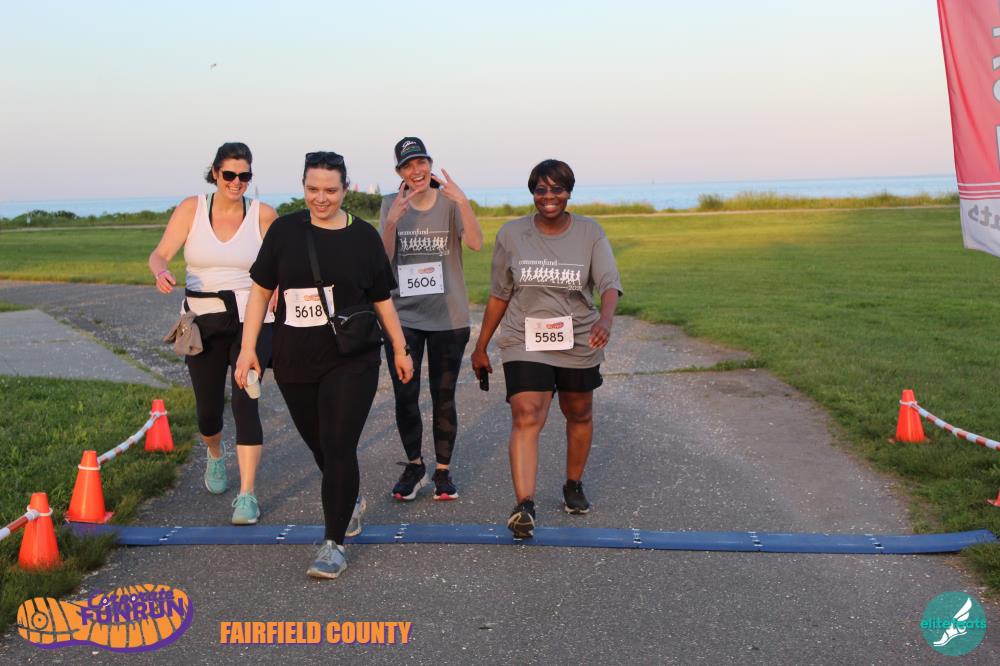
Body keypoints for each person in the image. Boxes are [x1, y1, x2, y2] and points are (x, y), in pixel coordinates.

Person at [235, 151, 414, 579]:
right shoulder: (284, 231)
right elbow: (260, 292)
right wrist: (248, 348)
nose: (321, 198)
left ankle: (333, 543)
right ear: (303, 187)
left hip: (351, 357)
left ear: (345, 190)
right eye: (313, 189)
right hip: (295, 357)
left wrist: (400, 348)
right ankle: (348, 500)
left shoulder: (363, 237)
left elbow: (381, 299)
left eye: (330, 190)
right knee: (320, 445)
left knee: (337, 444)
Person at [470, 159, 622, 538]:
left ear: (569, 192)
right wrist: (481, 345)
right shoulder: (512, 234)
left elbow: (608, 283)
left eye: (557, 189)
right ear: (532, 193)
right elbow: (499, 293)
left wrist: (605, 320)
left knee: (579, 411)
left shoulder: (589, 232)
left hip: (578, 337)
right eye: (541, 189)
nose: (549, 196)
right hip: (525, 337)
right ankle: (524, 505)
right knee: (527, 413)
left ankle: (573, 484)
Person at [149, 142, 278, 525]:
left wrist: (278, 290)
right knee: (208, 412)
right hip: (202, 323)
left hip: (251, 322)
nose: (237, 182)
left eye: (245, 176)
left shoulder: (263, 215)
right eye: (230, 175)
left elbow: (283, 262)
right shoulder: (192, 209)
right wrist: (161, 271)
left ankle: (247, 495)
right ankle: (216, 453)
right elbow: (159, 253)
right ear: (216, 173)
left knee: (246, 401)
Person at [379, 137, 483, 501]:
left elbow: (476, 243)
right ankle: (414, 465)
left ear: (430, 164)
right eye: (408, 166)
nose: (416, 171)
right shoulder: (390, 204)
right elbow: (382, 263)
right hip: (403, 317)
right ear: (399, 172)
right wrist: (391, 223)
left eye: (421, 162)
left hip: (448, 317)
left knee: (444, 395)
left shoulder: (450, 202)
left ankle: (442, 470)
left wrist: (463, 202)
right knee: (406, 394)